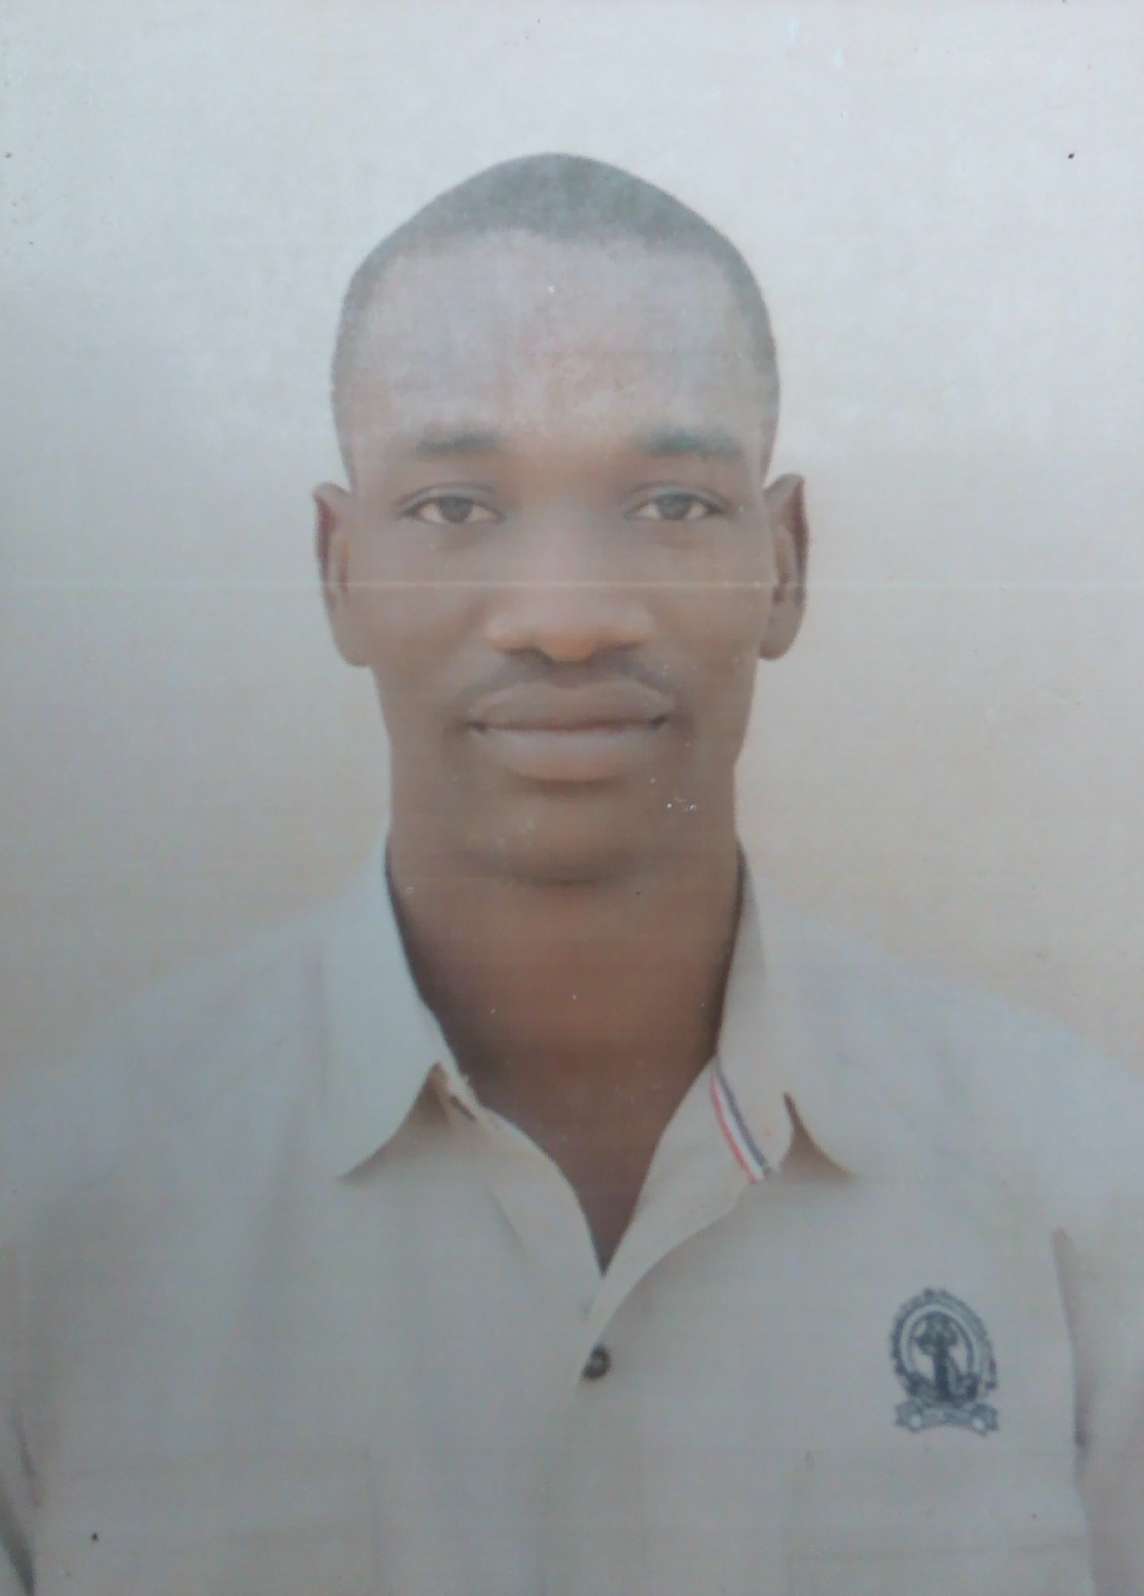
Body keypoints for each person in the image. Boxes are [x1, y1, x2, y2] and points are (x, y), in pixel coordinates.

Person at [1, 153, 1142, 1596]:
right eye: (455, 507)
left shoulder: (1084, 1196)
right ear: (338, 569)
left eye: (670, 504)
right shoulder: (57, 1226)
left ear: (785, 562)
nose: (567, 617)